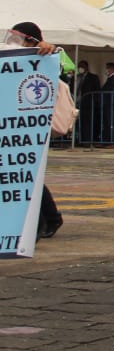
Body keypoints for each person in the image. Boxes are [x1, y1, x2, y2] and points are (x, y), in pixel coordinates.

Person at [7, 22, 71, 238]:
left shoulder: (42, 59)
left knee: (27, 174)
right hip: (12, 125)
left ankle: (42, 222)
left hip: (31, 125)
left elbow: (56, 62)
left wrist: (47, 50)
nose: (13, 43)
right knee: (21, 174)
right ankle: (46, 219)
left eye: (19, 39)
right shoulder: (9, 59)